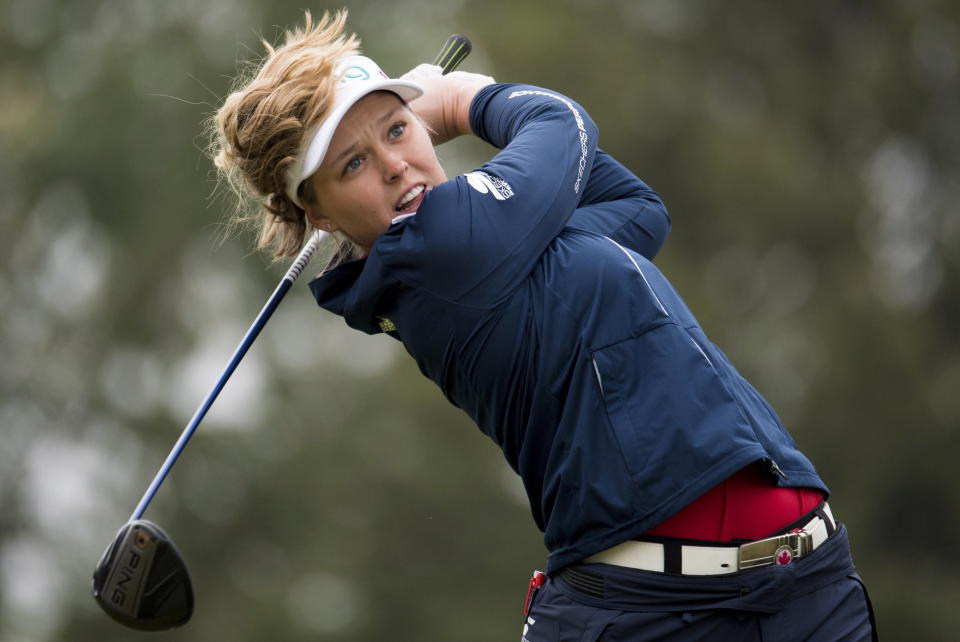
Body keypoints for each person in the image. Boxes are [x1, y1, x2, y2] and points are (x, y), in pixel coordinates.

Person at [210, 10, 877, 641]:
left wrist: (528, 200)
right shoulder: (439, 250)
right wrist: (458, 102)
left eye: (394, 129)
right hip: (654, 616)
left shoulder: (489, 245)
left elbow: (636, 209)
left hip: (806, 592)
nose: (392, 164)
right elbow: (562, 124)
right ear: (319, 215)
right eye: (352, 164)